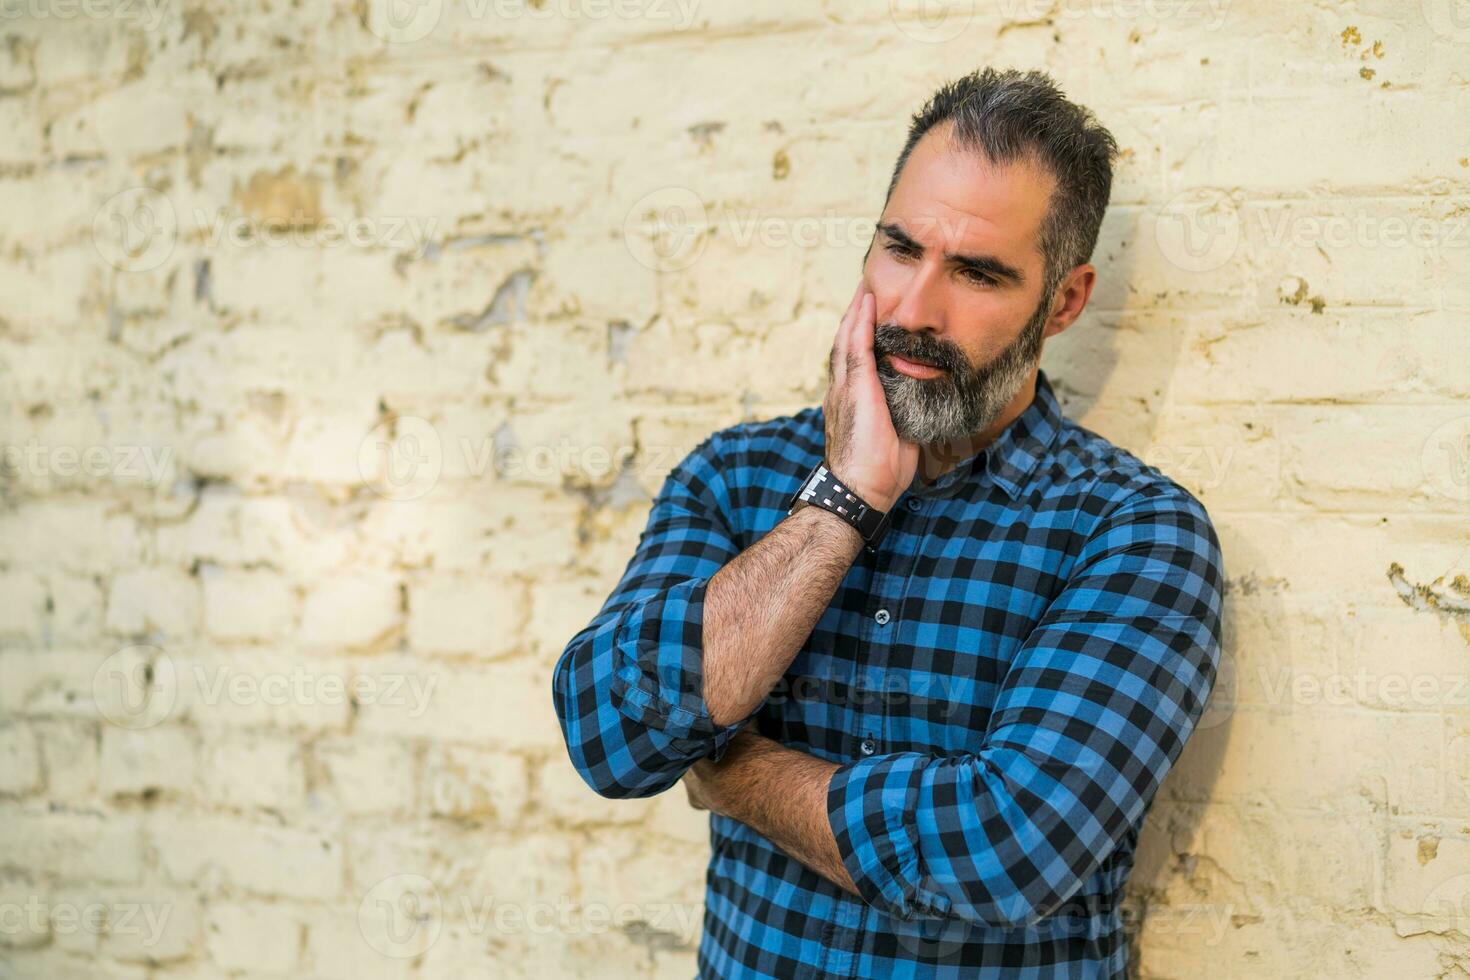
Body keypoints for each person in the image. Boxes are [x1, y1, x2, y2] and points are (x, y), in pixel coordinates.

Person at [552, 66, 1225, 979]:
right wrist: (842, 501)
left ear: (1064, 301)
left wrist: (738, 773)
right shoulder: (737, 478)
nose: (914, 311)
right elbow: (609, 732)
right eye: (900, 250)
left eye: (978, 273)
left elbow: (1006, 854)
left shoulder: (1133, 533)